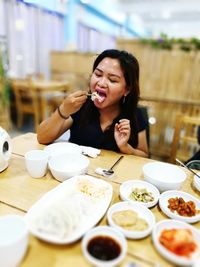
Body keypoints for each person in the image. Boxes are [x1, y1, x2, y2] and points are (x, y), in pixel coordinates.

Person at [37, 49, 149, 157]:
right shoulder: (80, 106)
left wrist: (126, 148)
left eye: (112, 80)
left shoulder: (135, 114)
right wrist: (63, 110)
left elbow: (144, 155)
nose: (101, 83)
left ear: (127, 89)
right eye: (98, 75)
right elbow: (42, 138)